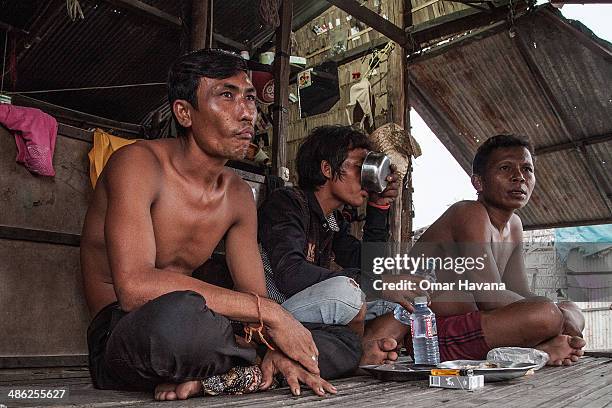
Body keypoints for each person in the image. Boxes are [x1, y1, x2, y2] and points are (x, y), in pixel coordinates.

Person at [80, 49, 361, 401]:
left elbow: (254, 294)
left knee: (343, 340)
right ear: (185, 113)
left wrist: (273, 334)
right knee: (178, 321)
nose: (246, 113)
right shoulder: (137, 164)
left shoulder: (238, 194)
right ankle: (253, 368)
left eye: (249, 99)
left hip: (211, 331)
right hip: (126, 330)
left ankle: (230, 374)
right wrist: (272, 317)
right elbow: (135, 288)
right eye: (226, 96)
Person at [258, 125, 426, 366]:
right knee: (347, 291)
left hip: (312, 313)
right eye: (360, 167)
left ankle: (362, 350)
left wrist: (378, 207)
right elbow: (290, 275)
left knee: (409, 295)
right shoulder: (287, 203)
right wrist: (376, 284)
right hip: (276, 315)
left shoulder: (332, 220)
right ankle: (352, 353)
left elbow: (373, 267)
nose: (367, 179)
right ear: (327, 169)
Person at [413, 134, 586, 366]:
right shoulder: (468, 213)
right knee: (548, 314)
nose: (519, 177)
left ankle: (540, 347)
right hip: (424, 334)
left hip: (475, 327)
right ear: (478, 183)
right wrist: (557, 318)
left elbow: (520, 291)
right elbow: (490, 296)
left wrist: (563, 314)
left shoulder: (514, 224)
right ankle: (539, 349)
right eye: (505, 168)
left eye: (527, 169)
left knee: (569, 308)